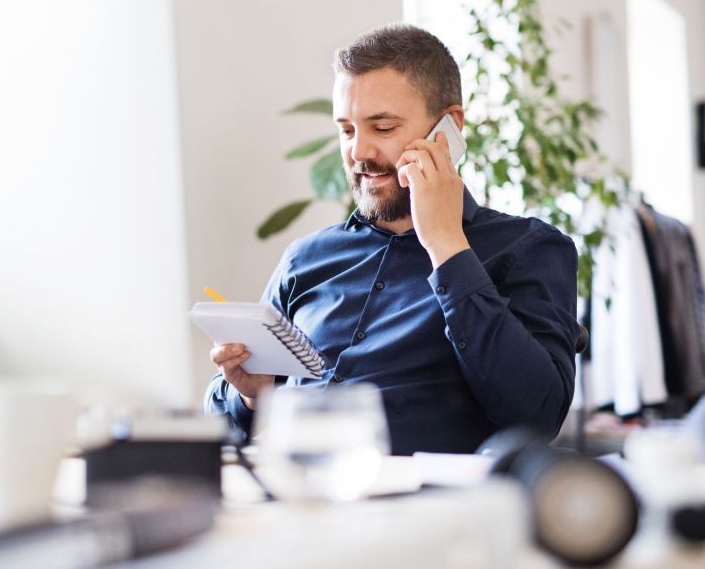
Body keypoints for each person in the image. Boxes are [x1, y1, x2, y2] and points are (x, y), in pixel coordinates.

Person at [204, 24, 579, 455]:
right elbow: (220, 430)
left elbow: (537, 414)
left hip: (422, 511)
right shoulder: (304, 259)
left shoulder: (528, 248)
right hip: (290, 499)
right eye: (347, 130)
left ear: (449, 128)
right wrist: (252, 394)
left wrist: (446, 245)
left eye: (382, 128)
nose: (358, 152)